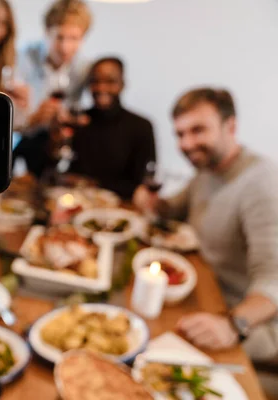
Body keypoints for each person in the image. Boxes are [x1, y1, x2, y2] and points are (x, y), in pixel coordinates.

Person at [133, 88, 278, 363]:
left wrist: (234, 324)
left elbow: (274, 280)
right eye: (180, 134)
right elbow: (174, 208)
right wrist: (153, 202)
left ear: (230, 126)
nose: (186, 143)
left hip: (246, 322)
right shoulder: (208, 170)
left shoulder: (262, 182)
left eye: (198, 130)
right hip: (201, 291)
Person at [13, 0, 92, 176]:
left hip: (53, 148)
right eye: (59, 37)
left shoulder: (83, 69)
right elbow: (10, 118)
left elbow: (80, 112)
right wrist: (32, 118)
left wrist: (71, 119)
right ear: (47, 32)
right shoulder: (22, 58)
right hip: (18, 143)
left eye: (74, 39)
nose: (65, 48)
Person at [68, 57, 156, 200]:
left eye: (110, 81)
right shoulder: (77, 121)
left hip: (122, 207)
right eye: (95, 81)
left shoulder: (141, 126)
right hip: (77, 202)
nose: (101, 88)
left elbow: (142, 182)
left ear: (122, 84)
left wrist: (93, 184)